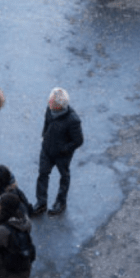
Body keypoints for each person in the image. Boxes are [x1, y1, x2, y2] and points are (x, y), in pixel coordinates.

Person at [31, 87, 83, 216]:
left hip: (62, 155)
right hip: (47, 150)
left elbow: (78, 141)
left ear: (61, 106)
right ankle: (41, 203)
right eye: (50, 101)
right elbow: (46, 123)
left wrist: (64, 150)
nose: (50, 104)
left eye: (53, 103)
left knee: (64, 176)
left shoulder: (73, 120)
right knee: (42, 174)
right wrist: (44, 137)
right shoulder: (50, 109)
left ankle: (61, 202)